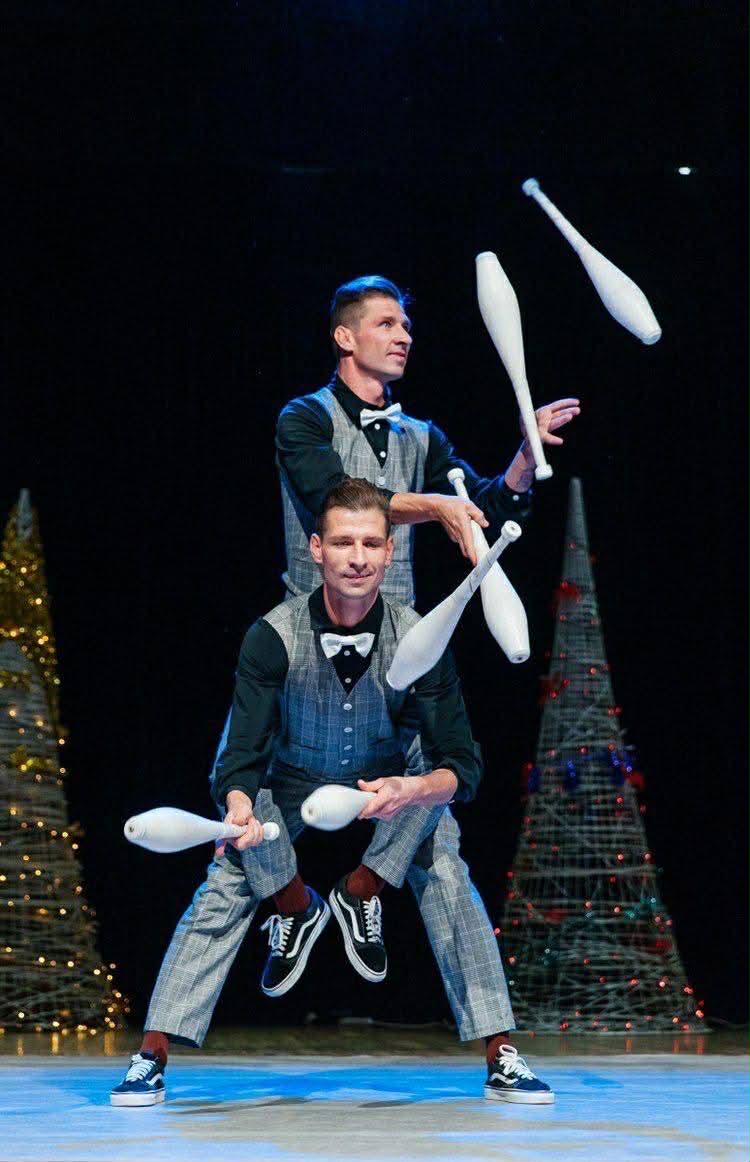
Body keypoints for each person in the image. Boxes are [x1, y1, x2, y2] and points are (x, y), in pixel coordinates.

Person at [111, 481, 554, 1107]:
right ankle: (155, 1051)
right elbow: (242, 752)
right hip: (290, 776)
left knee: (445, 862)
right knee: (227, 876)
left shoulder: (422, 634)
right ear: (316, 549)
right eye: (343, 542)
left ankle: (496, 1048)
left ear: (391, 552)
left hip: (389, 779)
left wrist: (414, 789)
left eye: (371, 544)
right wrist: (237, 810)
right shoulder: (271, 635)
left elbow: (462, 763)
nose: (358, 557)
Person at [277, 274, 580, 604]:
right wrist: (435, 506)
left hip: (401, 627)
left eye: (406, 327)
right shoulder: (305, 416)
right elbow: (336, 498)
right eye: (386, 324)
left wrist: (527, 455)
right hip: (312, 624)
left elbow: (486, 514)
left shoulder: (421, 436)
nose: (404, 337)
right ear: (345, 338)